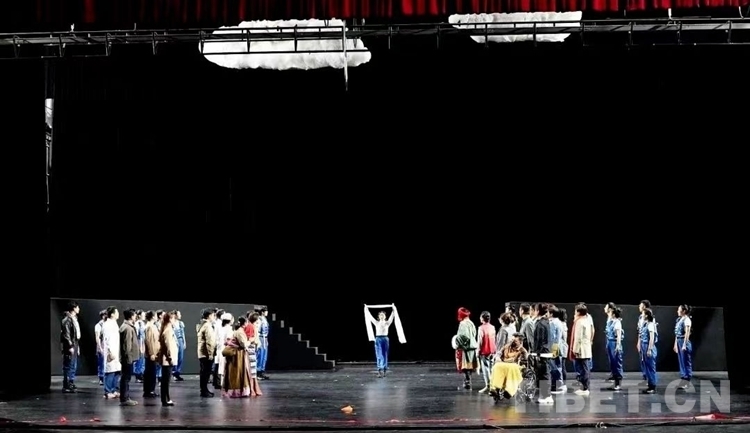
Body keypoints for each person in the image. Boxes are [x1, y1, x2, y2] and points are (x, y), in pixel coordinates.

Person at [489, 333, 528, 400]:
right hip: (503, 363)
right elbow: (499, 353)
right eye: (511, 340)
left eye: (515, 341)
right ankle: (495, 388)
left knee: (511, 368)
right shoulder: (507, 346)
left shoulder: (522, 350)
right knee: (496, 366)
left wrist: (520, 358)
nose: (512, 342)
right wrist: (497, 357)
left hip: (515, 365)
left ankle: (509, 390)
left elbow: (524, 360)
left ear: (520, 342)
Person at [365, 306, 395, 377]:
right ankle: (379, 370)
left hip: (385, 339)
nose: (382, 316)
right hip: (378, 339)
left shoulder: (387, 323)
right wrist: (366, 309)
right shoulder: (376, 323)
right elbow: (370, 317)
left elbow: (392, 316)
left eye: (383, 315)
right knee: (379, 354)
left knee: (385, 354)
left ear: (385, 316)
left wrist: (393, 309)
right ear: (378, 316)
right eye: (380, 315)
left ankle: (384, 370)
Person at [532, 303, 552, 404]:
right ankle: (546, 395)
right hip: (545, 351)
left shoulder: (540, 324)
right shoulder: (546, 322)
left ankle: (546, 396)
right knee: (544, 373)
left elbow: (539, 340)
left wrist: (537, 353)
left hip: (542, 352)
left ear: (538, 311)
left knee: (544, 374)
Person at [119, 309, 139, 406]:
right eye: (134, 315)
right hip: (128, 358)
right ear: (131, 316)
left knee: (126, 377)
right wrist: (129, 358)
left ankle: (125, 397)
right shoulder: (128, 328)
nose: (136, 317)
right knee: (126, 378)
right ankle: (125, 398)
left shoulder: (126, 327)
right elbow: (127, 346)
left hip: (128, 357)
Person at [101, 306, 122, 399]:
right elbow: (106, 339)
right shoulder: (107, 324)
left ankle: (113, 389)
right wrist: (110, 351)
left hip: (116, 350)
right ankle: (107, 391)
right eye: (116, 312)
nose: (118, 314)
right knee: (110, 371)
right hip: (111, 350)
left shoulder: (114, 323)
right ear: (112, 314)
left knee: (116, 371)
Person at [454, 307, 478, 389]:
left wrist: (458, 342)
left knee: (465, 365)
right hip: (472, 346)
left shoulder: (463, 324)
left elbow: (463, 336)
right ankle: (468, 380)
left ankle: (467, 381)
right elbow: (474, 333)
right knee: (469, 365)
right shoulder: (471, 323)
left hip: (466, 347)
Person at [60, 301, 81, 393]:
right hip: (70, 344)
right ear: (73, 308)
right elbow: (66, 334)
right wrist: (70, 346)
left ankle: (70, 382)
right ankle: (66, 385)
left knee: (73, 365)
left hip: (75, 342)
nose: (79, 309)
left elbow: (75, 334)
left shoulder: (74, 319)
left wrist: (77, 345)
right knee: (68, 365)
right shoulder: (67, 320)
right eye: (77, 307)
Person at [572, 304, 593, 396]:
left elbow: (578, 337)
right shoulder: (587, 320)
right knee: (585, 368)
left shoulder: (579, 322)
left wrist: (575, 349)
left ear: (578, 312)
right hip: (586, 347)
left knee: (583, 368)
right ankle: (585, 387)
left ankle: (585, 388)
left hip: (581, 349)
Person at [158, 311, 178, 406]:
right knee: (166, 381)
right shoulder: (168, 330)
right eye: (174, 318)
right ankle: (165, 399)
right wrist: (170, 358)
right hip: (167, 360)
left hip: (167, 359)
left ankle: (166, 398)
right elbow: (168, 346)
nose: (175, 320)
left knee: (166, 381)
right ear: (170, 319)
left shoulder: (167, 329)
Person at [197, 308, 217, 397]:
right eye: (213, 315)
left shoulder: (203, 324)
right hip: (206, 353)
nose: (214, 317)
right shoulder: (207, 326)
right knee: (205, 373)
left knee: (204, 373)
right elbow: (209, 342)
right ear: (209, 316)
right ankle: (204, 391)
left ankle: (204, 390)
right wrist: (210, 354)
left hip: (202, 353)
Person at [477, 311, 496, 393]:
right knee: (491, 369)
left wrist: (478, 351)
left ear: (482, 318)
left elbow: (480, 341)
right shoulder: (492, 327)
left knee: (485, 369)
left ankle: (488, 386)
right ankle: (493, 386)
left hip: (484, 351)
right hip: (492, 350)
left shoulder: (481, 328)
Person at [606, 307, 624, 391]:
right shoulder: (611, 322)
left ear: (613, 314)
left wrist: (618, 345)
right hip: (610, 342)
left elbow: (618, 335)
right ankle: (615, 382)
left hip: (614, 343)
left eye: (610, 312)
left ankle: (618, 383)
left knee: (617, 363)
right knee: (612, 363)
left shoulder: (617, 323)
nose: (608, 313)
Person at [674, 305, 693, 389]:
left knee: (686, 362)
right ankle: (683, 379)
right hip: (679, 340)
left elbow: (687, 333)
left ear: (684, 311)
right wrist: (675, 344)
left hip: (683, 341)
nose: (677, 311)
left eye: (679, 309)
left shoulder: (687, 320)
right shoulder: (679, 320)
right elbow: (677, 333)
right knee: (681, 362)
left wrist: (684, 344)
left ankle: (687, 381)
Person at [640, 308, 658, 394]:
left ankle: (652, 386)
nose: (642, 315)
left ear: (647, 315)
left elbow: (652, 338)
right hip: (644, 345)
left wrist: (649, 349)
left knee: (651, 367)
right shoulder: (645, 324)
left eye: (643, 314)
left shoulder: (650, 325)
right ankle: (650, 385)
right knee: (646, 366)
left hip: (648, 345)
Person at [142, 311, 160, 398]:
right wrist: (151, 353)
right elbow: (149, 341)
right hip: (151, 354)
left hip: (154, 353)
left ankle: (151, 390)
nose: (157, 317)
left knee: (152, 372)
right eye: (156, 316)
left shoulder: (153, 326)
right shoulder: (149, 327)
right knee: (150, 373)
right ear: (153, 317)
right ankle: (149, 391)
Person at [636, 300, 651, 384]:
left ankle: (649, 379)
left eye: (640, 305)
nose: (639, 306)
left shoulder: (650, 318)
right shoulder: (640, 317)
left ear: (644, 307)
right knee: (642, 359)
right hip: (642, 340)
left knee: (648, 360)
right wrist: (639, 341)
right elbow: (640, 331)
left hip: (646, 342)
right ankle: (645, 377)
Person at [256, 306, 270, 380]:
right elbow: (258, 330)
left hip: (265, 338)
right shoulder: (259, 319)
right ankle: (258, 371)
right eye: (265, 311)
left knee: (264, 356)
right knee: (260, 355)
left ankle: (262, 371)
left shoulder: (265, 319)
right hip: (261, 338)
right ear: (262, 312)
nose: (267, 312)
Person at [604, 303, 617, 381]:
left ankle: (616, 375)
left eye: (606, 307)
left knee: (614, 358)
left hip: (613, 341)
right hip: (609, 339)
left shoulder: (614, 319)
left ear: (610, 309)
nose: (604, 308)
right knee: (611, 358)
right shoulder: (608, 318)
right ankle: (613, 373)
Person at [94, 309, 107, 386]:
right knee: (101, 363)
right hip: (102, 345)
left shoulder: (108, 324)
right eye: (106, 315)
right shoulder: (98, 325)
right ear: (103, 316)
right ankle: (101, 378)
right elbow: (97, 337)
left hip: (107, 345)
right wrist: (100, 347)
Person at [173, 310, 186, 381]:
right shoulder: (171, 323)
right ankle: (174, 372)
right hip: (174, 340)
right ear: (175, 315)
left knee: (180, 357)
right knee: (175, 357)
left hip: (180, 340)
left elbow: (183, 333)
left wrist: (184, 342)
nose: (180, 315)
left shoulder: (181, 323)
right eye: (179, 314)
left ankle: (177, 373)